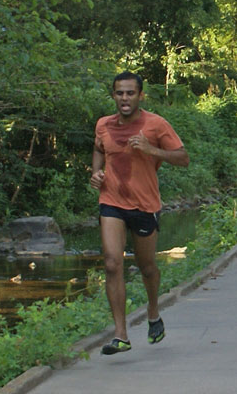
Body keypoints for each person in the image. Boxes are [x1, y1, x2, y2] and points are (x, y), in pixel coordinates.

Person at [90, 72, 189, 355]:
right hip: (111, 201)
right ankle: (121, 334)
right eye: (119, 93)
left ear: (140, 96)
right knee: (112, 263)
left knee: (147, 268)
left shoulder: (156, 124)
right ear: (113, 95)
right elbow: (98, 150)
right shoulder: (103, 125)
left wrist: (151, 149)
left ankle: (153, 311)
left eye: (130, 93)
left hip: (145, 205)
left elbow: (183, 158)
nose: (124, 98)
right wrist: (96, 172)